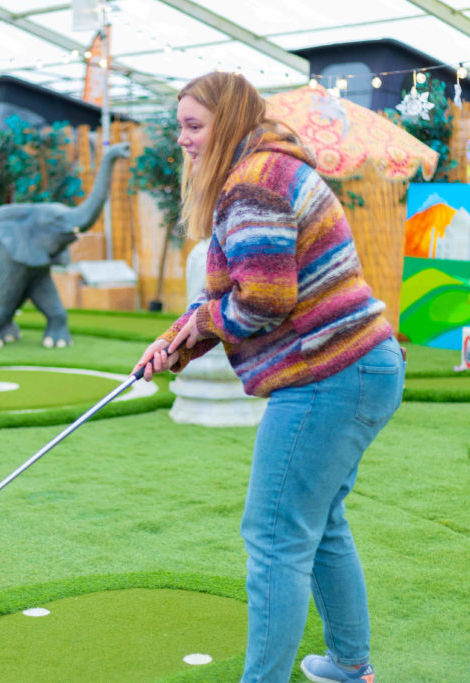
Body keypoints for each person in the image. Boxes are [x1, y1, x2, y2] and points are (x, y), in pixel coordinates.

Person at [134, 72, 404, 682]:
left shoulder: (252, 184)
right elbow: (232, 294)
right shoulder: (268, 169)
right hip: (363, 365)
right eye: (180, 125)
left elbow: (262, 302)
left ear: (227, 121)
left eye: (193, 126)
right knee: (321, 521)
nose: (182, 139)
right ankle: (347, 664)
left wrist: (201, 323)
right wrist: (179, 338)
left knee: (276, 537)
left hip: (327, 373)